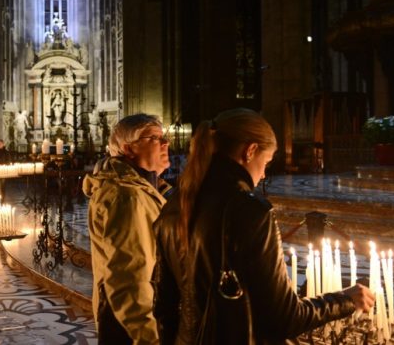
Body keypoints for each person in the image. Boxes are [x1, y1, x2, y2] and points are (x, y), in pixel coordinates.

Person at [154, 108, 375, 344]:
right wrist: (346, 299)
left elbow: (164, 308)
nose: (262, 176)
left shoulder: (175, 204)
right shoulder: (249, 211)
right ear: (250, 151)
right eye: (266, 163)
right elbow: (284, 319)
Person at [81, 113, 173, 344]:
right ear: (128, 148)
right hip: (131, 328)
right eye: (154, 138)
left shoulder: (138, 190)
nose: (166, 144)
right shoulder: (127, 197)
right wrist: (150, 338)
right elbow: (131, 281)